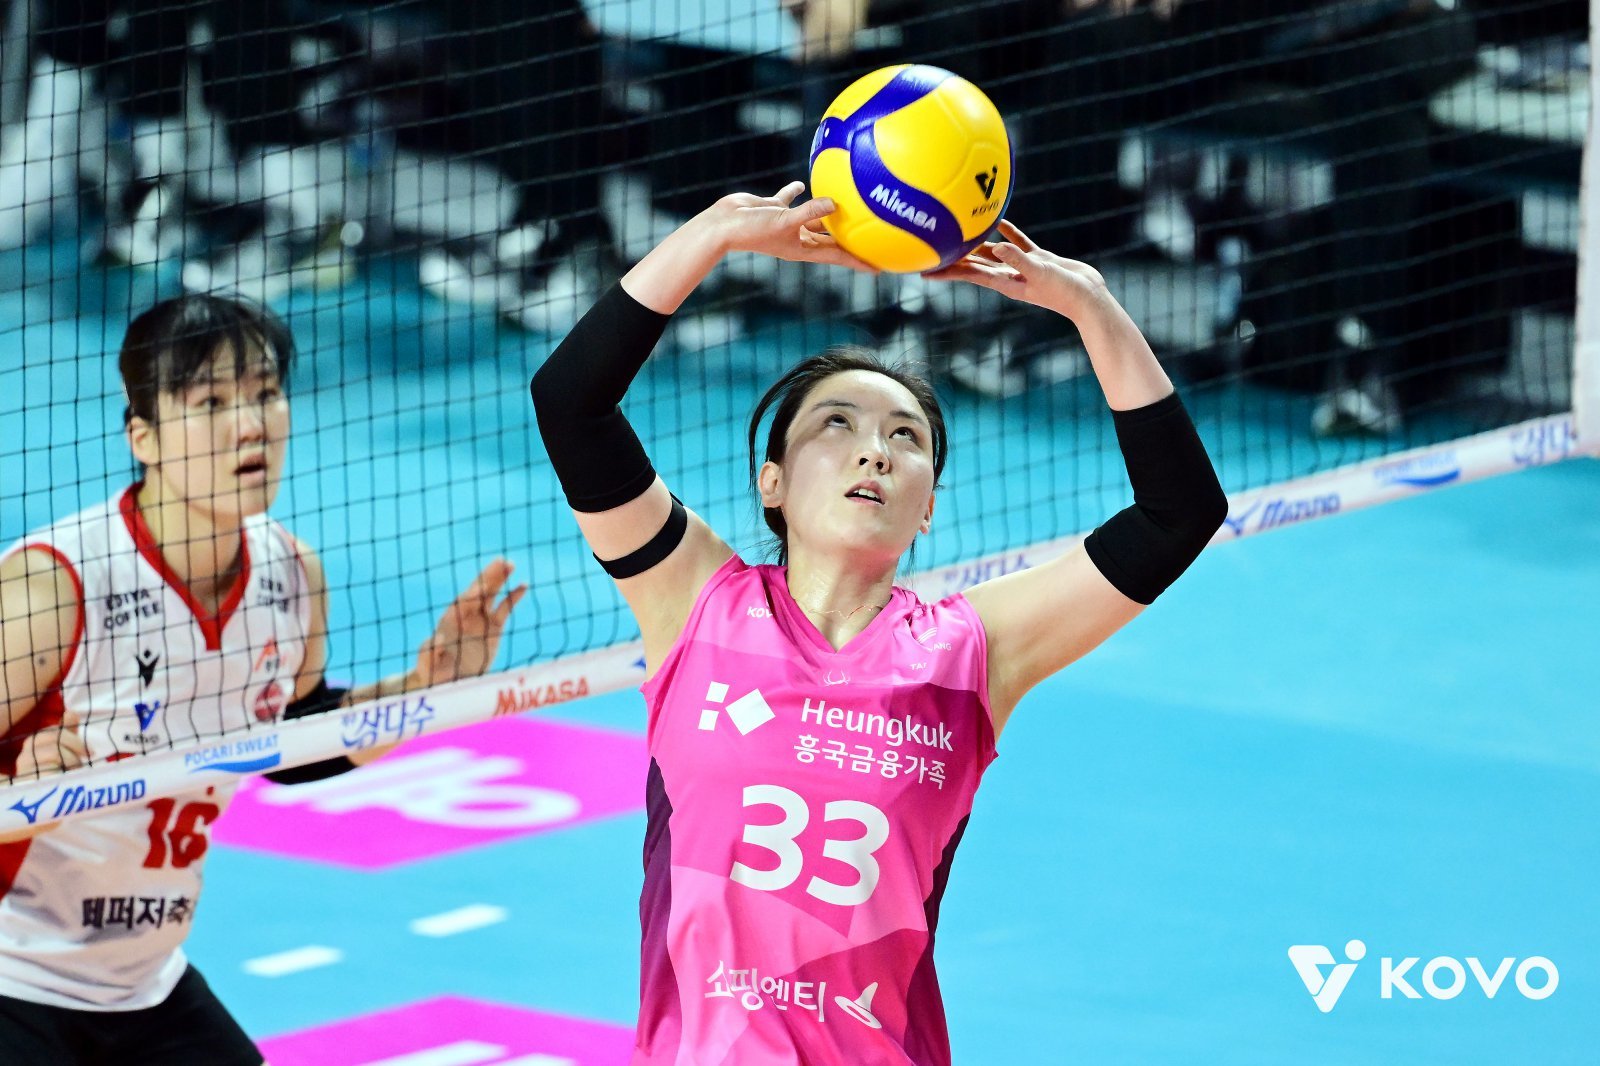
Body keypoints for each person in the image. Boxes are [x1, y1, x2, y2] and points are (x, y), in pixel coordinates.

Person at [530, 182, 1227, 1062]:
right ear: (772, 482)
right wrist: (712, 237)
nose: (875, 450)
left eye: (906, 437)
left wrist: (1089, 304)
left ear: (927, 505)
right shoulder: (698, 602)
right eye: (839, 423)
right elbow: (572, 404)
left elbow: (1178, 513)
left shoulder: (970, 652)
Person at [0, 293, 525, 1063]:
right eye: (211, 403)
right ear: (144, 437)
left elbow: (295, 742)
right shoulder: (52, 592)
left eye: (266, 394)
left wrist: (422, 690)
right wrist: (18, 792)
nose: (250, 426)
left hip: (142, 986)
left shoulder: (290, 574)